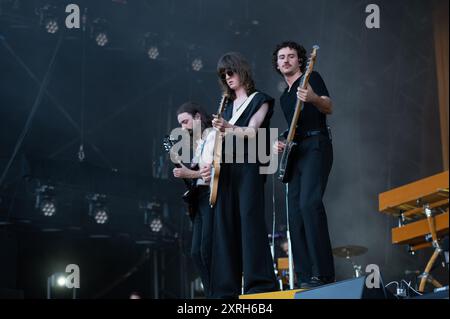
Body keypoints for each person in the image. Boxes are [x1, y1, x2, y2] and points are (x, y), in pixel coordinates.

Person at [203, 52, 278, 298]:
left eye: (230, 71)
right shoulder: (227, 106)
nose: (228, 77)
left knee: (250, 222)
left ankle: (259, 284)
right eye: (224, 74)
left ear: (241, 71)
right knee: (224, 227)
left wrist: (229, 127)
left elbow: (254, 131)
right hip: (225, 171)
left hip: (248, 168)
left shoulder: (260, 99)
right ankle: (225, 290)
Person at [273, 41, 335, 288]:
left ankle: (324, 274)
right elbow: (294, 128)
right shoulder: (283, 97)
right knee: (295, 215)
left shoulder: (311, 77)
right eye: (281, 57)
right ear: (277, 64)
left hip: (316, 146)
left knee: (310, 204)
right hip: (296, 153)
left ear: (300, 60)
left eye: (291, 56)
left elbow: (328, 106)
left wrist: (313, 98)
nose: (286, 60)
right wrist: (282, 141)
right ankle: (306, 276)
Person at [173, 102, 215, 298]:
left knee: (206, 249)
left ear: (198, 117)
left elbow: (208, 174)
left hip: (210, 196)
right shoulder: (198, 143)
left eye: (185, 122)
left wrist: (188, 172)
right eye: (180, 124)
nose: (183, 128)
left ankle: (218, 293)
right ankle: (209, 293)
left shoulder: (212, 135)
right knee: (196, 252)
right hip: (198, 199)